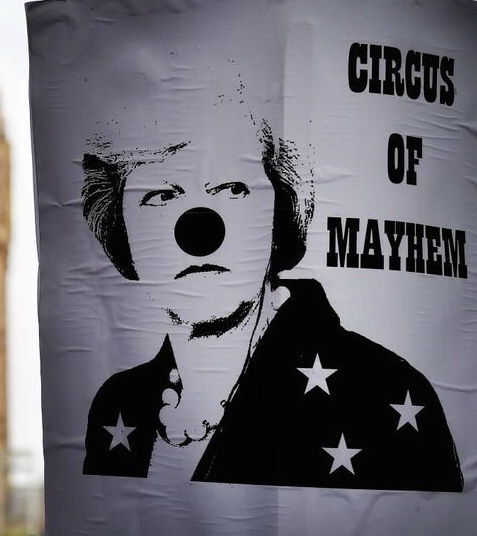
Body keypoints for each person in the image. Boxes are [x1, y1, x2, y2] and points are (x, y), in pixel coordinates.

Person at [80, 61, 462, 492]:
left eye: (233, 189)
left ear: (278, 212)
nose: (199, 230)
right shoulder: (117, 406)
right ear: (122, 230)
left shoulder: (382, 394)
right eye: (161, 195)